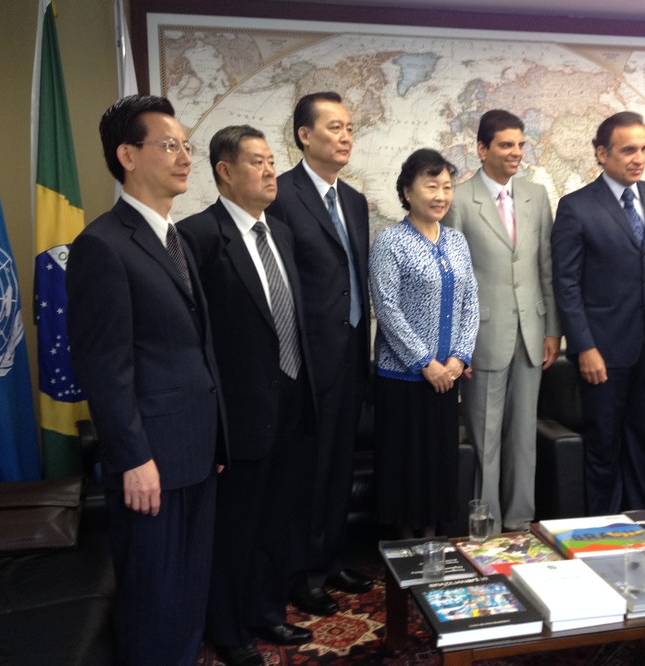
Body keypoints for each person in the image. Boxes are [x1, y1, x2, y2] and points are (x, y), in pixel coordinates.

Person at [65, 94, 227, 664]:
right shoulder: (101, 245)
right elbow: (104, 367)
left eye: (186, 145)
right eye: (169, 145)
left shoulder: (174, 237)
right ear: (128, 155)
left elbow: (194, 347)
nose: (185, 157)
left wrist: (217, 438)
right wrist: (133, 458)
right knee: (154, 599)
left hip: (196, 450)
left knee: (188, 592)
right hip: (151, 461)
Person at [178, 126, 313, 665]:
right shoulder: (197, 236)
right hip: (238, 414)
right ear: (225, 171)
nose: (270, 170)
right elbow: (196, 337)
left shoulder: (280, 232)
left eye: (272, 160)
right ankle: (228, 630)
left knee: (277, 518)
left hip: (290, 399)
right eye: (257, 161)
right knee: (236, 528)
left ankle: (266, 612)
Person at [266, 92, 373, 616]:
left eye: (349, 127)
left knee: (339, 467)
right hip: (306, 361)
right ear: (304, 136)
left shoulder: (353, 199)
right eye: (334, 127)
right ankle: (300, 574)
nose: (345, 136)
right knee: (307, 471)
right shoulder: (281, 195)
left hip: (351, 352)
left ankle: (331, 561)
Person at [551, 111, 645, 515]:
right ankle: (602, 531)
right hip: (602, 350)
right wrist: (584, 347)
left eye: (643, 149)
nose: (638, 158)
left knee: (643, 440)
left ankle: (643, 522)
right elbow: (566, 284)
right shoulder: (576, 206)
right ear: (602, 154)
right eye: (628, 150)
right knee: (604, 445)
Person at [444, 109, 560, 532]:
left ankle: (519, 520)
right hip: (482, 338)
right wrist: (457, 347)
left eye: (520, 145)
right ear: (482, 149)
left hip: (532, 334)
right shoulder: (459, 199)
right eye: (506, 144)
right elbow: (454, 281)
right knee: (485, 437)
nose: (516, 152)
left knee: (523, 435)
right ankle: (485, 524)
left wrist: (553, 329)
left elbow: (546, 266)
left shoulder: (536, 195)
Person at [369, 148, 479, 536]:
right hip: (403, 380)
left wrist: (459, 357)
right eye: (431, 186)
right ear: (407, 191)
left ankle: (433, 546)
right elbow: (387, 308)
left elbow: (470, 302)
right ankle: (404, 553)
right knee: (406, 471)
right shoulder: (390, 241)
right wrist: (424, 363)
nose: (440, 195)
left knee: (438, 468)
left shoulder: (457, 241)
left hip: (447, 378)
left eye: (447, 187)